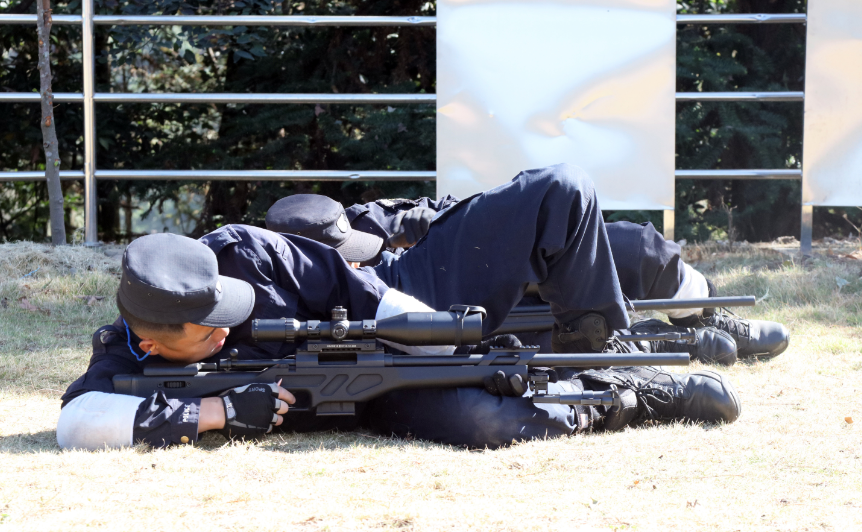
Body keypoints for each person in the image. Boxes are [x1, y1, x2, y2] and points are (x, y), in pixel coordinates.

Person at [57, 164, 741, 451]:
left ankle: (628, 351)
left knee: (561, 190)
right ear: (155, 338)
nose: (225, 324)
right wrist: (219, 412)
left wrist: (454, 345)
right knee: (492, 423)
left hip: (394, 337)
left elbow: (374, 296)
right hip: (360, 402)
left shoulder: (248, 255)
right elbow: (75, 421)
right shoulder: (121, 350)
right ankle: (625, 400)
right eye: (207, 330)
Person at [265, 193, 790, 360]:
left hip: (492, 268)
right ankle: (673, 341)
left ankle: (701, 308)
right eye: (346, 255)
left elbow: (437, 208)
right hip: (450, 319)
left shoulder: (361, 219)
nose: (358, 255)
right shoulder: (298, 290)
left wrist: (433, 224)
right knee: (539, 338)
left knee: (631, 243)